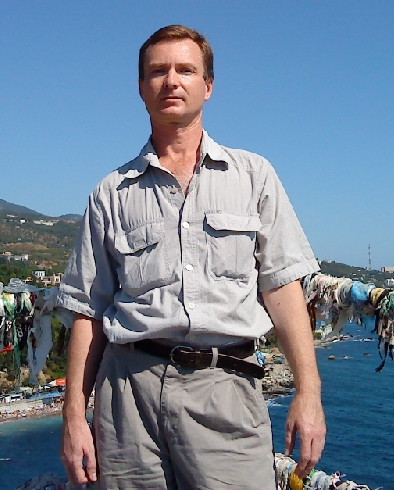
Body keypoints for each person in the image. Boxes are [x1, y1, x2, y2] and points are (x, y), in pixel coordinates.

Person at [58, 25, 326, 489]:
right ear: (141, 88)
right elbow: (88, 310)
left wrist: (308, 393)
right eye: (157, 71)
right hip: (127, 396)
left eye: (186, 70)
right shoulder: (110, 194)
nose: (171, 81)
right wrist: (74, 417)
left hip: (226, 390)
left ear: (208, 85)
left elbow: (283, 288)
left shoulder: (254, 176)